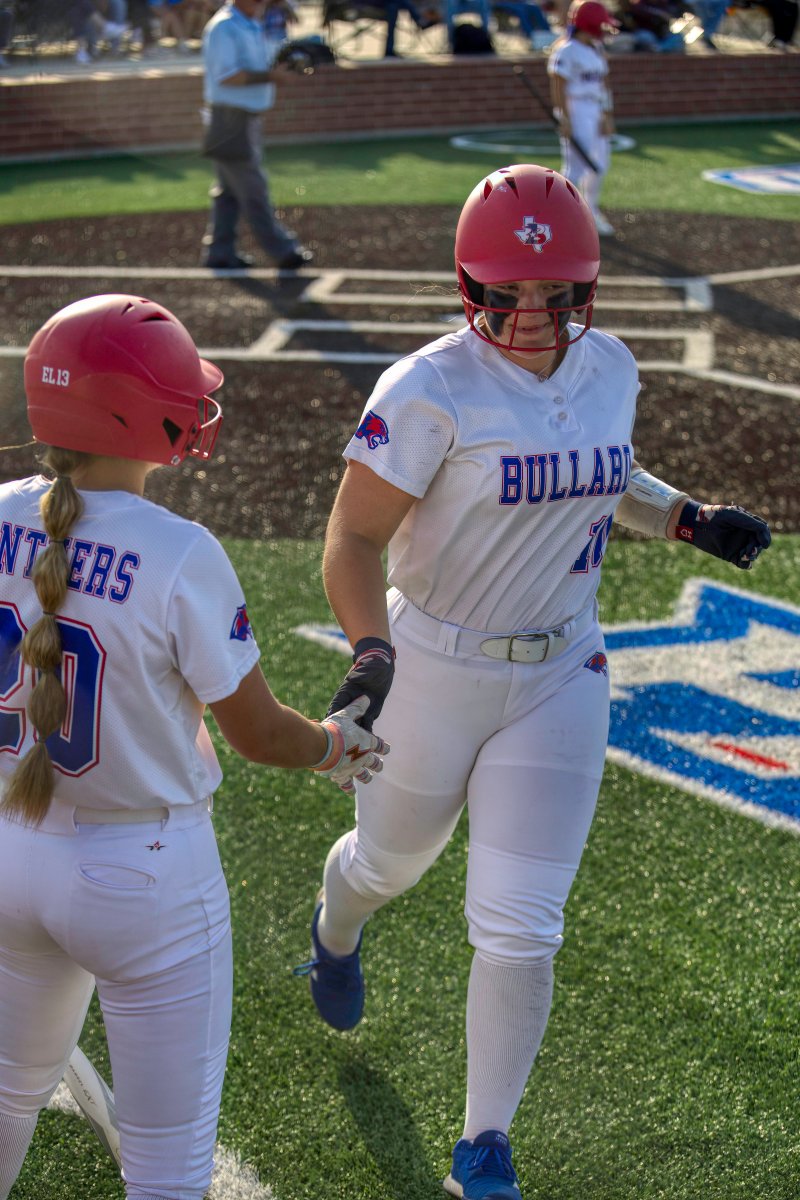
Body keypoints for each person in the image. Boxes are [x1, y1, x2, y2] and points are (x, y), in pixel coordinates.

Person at [293, 164, 772, 1200]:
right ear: (468, 285)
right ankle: (334, 932)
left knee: (520, 920)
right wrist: (370, 651)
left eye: (554, 293)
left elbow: (603, 471)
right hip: (434, 663)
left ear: (585, 287)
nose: (530, 314)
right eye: (506, 293)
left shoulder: (609, 365)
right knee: (388, 865)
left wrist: (685, 518)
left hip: (562, 668)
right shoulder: (425, 389)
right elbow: (353, 537)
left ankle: (484, 1146)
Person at [0, 293, 387, 1200]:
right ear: (134, 412)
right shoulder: (179, 551)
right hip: (145, 870)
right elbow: (258, 733)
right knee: (167, 1168)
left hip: (13, 849)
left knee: (7, 1098)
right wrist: (333, 745)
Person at [201, 0, 313, 271]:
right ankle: (283, 250)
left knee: (229, 193)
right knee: (253, 189)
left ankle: (220, 251)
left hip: (243, 118)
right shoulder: (224, 27)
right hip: (230, 120)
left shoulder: (250, 23)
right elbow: (227, 75)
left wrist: (287, 63)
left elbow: (259, 63)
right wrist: (272, 77)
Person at [548, 0, 619, 236]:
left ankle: (591, 212)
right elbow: (559, 86)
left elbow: (604, 84)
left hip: (595, 109)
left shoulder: (596, 48)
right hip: (576, 109)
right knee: (576, 167)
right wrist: (564, 117)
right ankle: (559, 217)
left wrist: (607, 114)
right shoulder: (566, 50)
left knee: (599, 164)